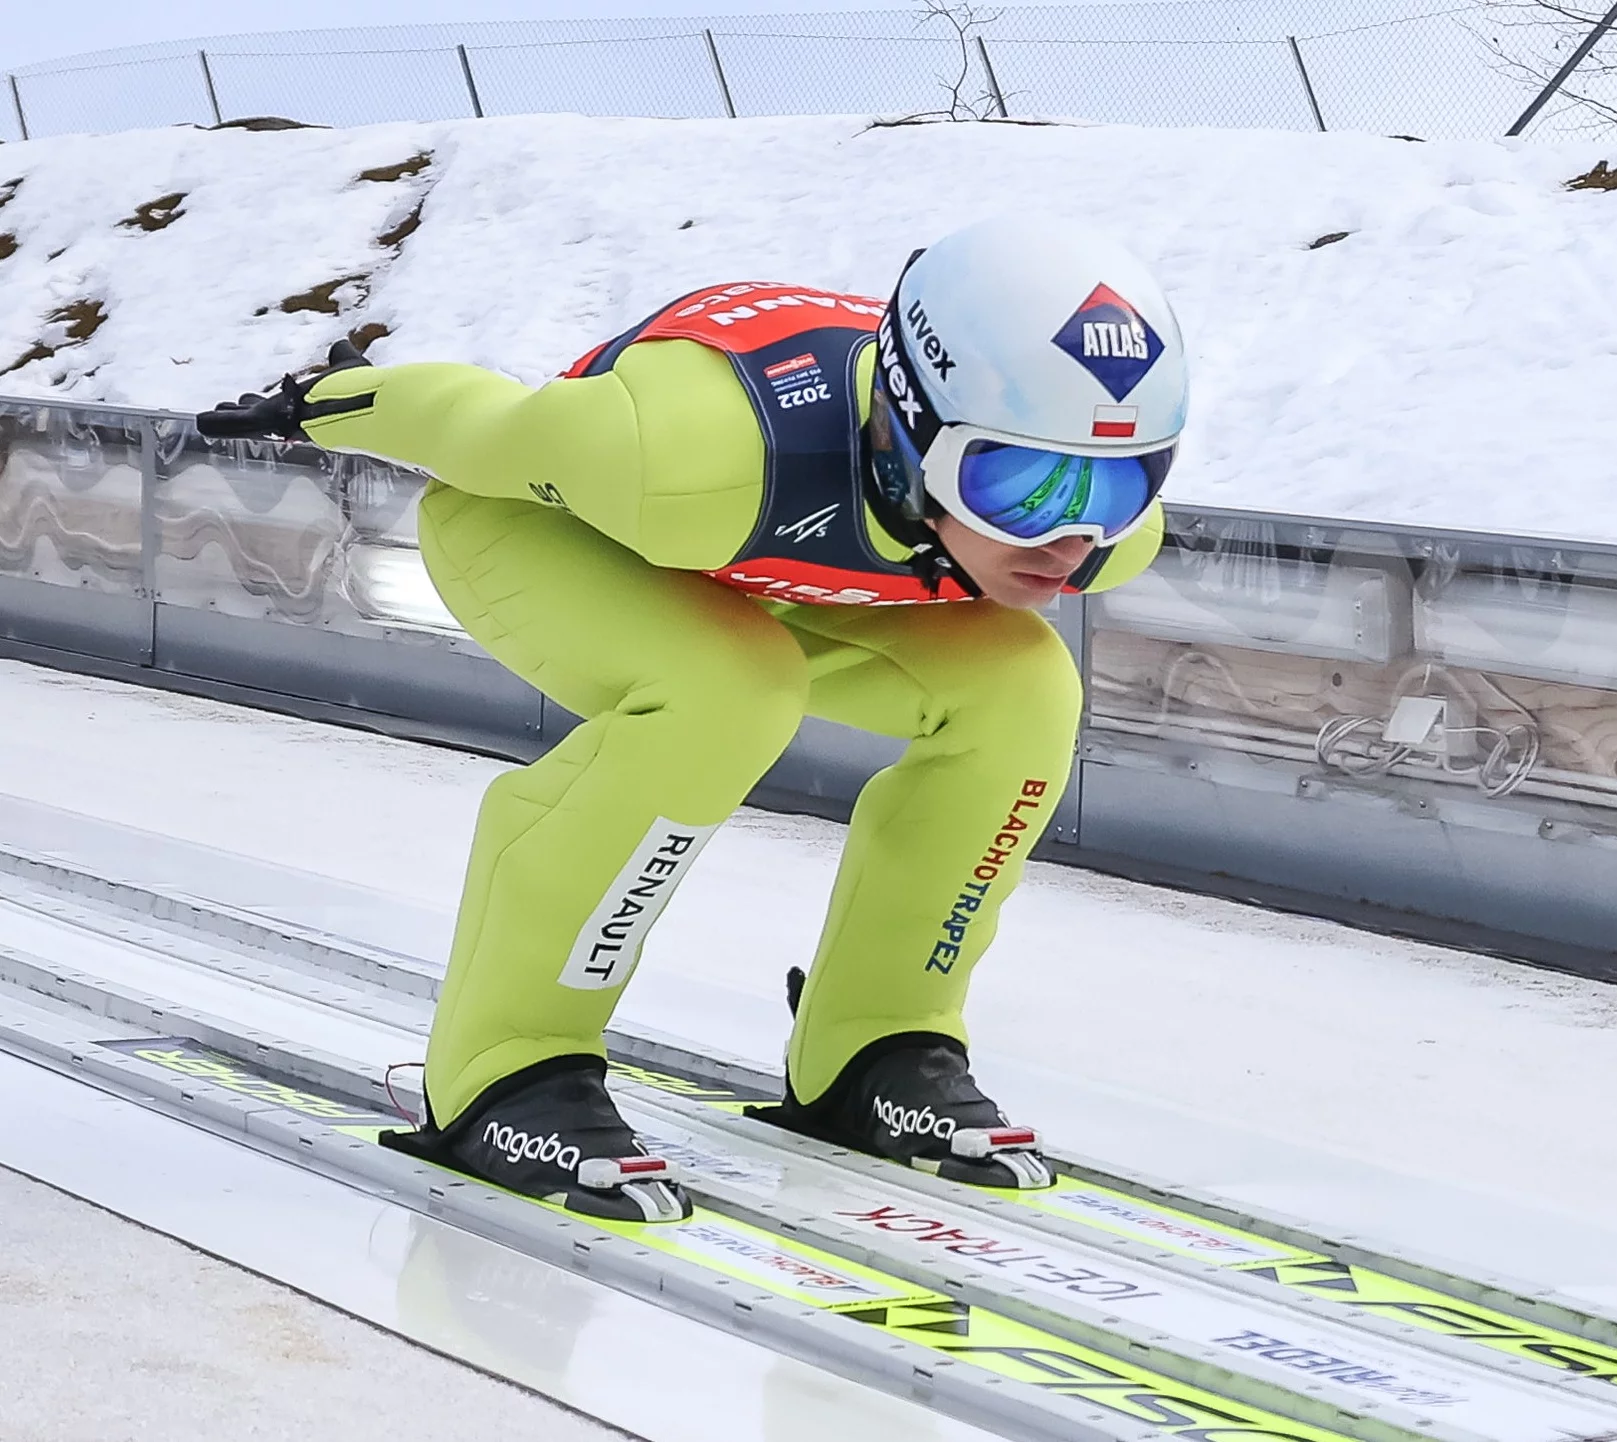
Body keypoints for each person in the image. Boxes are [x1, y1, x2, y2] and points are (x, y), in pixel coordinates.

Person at [198, 217, 1189, 1222]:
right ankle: (508, 1062)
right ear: (909, 429)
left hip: (773, 563)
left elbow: (1062, 518)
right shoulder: (682, 450)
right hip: (564, 528)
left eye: (1121, 483)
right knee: (727, 688)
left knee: (1024, 685)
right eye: (1019, 484)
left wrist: (1049, 501)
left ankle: (877, 1037)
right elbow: (480, 425)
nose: (1071, 537)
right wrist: (314, 399)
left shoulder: (1099, 537)